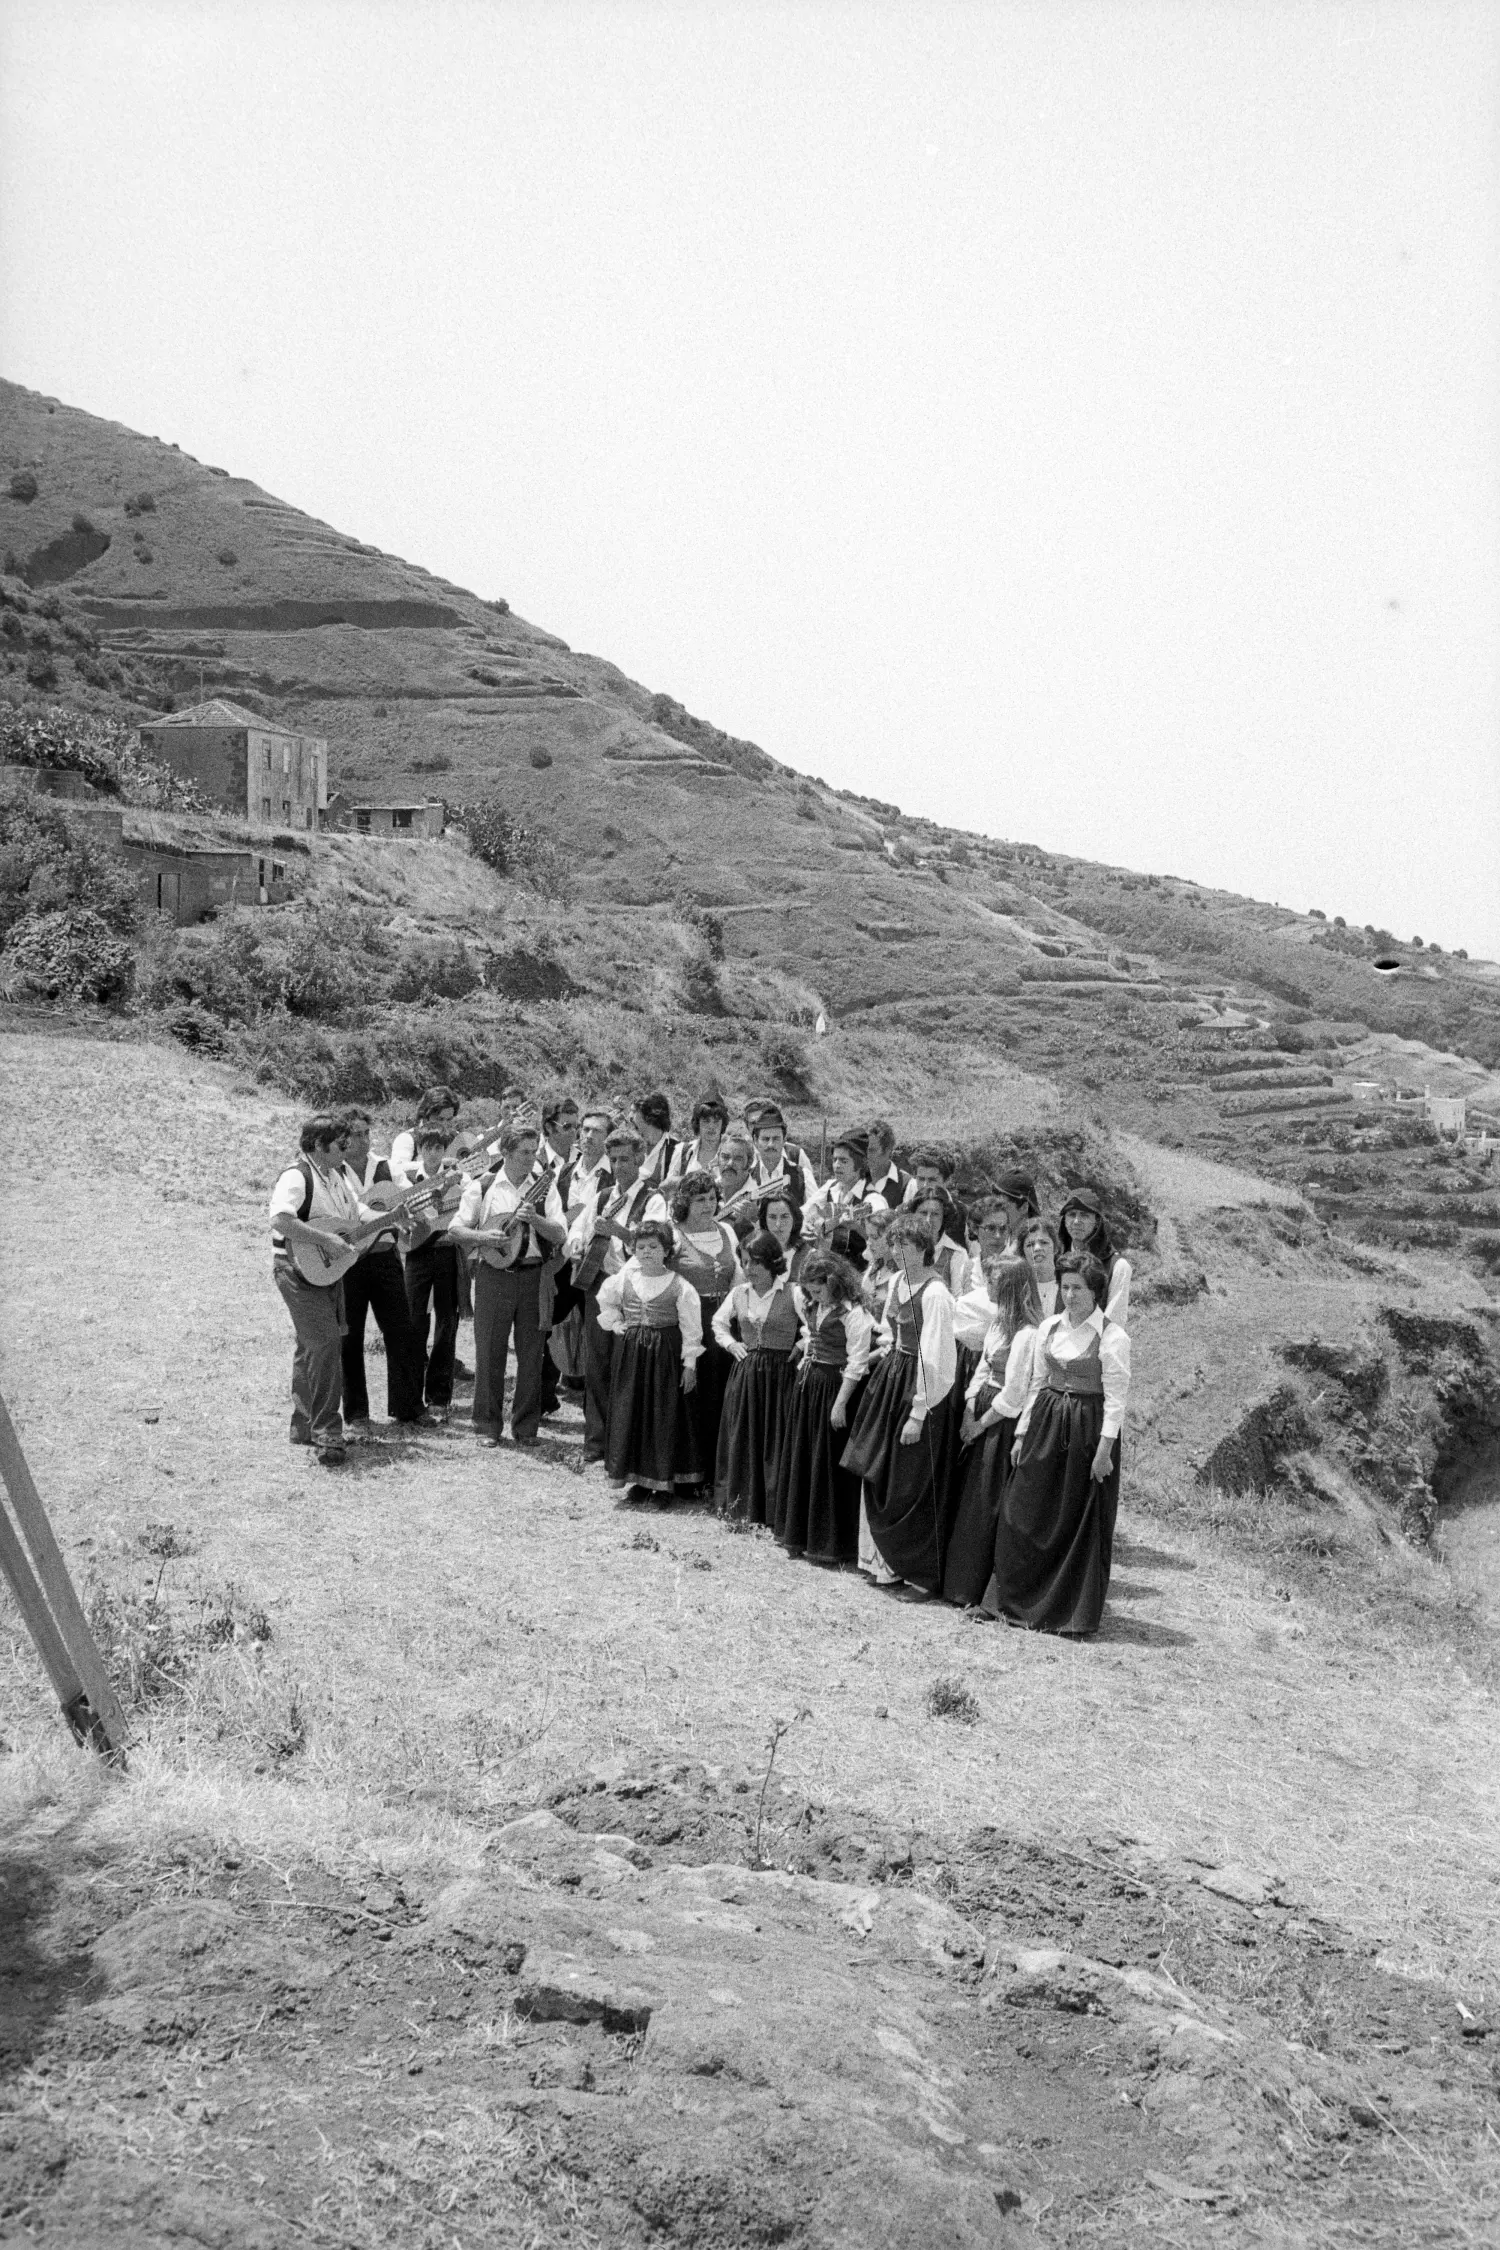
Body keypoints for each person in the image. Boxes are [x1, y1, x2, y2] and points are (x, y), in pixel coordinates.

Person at [980, 1252, 1130, 1636]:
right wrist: (1021, 1434)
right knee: (1022, 1512)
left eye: (1078, 1288)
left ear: (1096, 1291)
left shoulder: (1112, 1336)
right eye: (1065, 1287)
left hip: (1086, 1431)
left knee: (1075, 1520)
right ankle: (1013, 1602)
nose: (1070, 1295)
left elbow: (1116, 1402)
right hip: (1046, 1424)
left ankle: (1067, 1613)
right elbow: (1037, 1384)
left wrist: (1103, 1453)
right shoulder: (1048, 1327)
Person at [840, 1212, 957, 1599]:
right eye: (894, 1244)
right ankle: (882, 1565)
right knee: (880, 1471)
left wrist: (919, 1412)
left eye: (906, 1245)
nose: (898, 1251)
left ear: (924, 1249)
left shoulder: (937, 1294)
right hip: (892, 1380)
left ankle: (919, 1575)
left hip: (919, 1386)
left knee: (911, 1480)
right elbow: (892, 1332)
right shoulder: (897, 1282)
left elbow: (937, 1358)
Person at [451, 1123, 566, 1448]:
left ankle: (526, 1428)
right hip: (493, 1276)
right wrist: (482, 1237)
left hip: (534, 1276)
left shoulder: (545, 1187)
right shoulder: (484, 1185)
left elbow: (560, 1233)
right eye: (524, 1153)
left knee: (532, 1355)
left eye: (534, 1152)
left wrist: (537, 1220)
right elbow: (455, 1230)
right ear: (505, 1153)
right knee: (489, 1352)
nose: (531, 1159)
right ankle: (487, 1426)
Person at [268, 1115, 374, 1465]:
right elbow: (281, 1220)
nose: (349, 1148)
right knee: (326, 1343)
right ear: (319, 1145)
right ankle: (328, 1433)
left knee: (310, 1348)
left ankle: (303, 1426)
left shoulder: (336, 1175)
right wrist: (326, 1239)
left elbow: (356, 1214)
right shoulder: (296, 1176)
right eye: (341, 1143)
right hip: (296, 1272)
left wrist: (392, 1218)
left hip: (325, 1272)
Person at [941, 1257, 1042, 1608]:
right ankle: (958, 1584)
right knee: (971, 1501)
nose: (989, 1286)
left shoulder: (1028, 1335)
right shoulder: (998, 1324)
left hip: (1000, 1424)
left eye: (995, 1280)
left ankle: (979, 1591)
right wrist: (969, 1408)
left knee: (988, 1503)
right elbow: (982, 1369)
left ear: (1012, 1286)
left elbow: (1013, 1395)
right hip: (981, 1413)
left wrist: (980, 1425)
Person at [565, 1123, 659, 1462]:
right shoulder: (603, 1196)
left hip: (635, 1292)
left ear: (639, 1159)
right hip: (600, 1288)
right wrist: (576, 1245)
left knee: (630, 1366)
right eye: (614, 1159)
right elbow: (577, 1228)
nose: (619, 1167)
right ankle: (596, 1442)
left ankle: (627, 1445)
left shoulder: (653, 1198)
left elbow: (657, 1245)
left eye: (626, 1159)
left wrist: (619, 1230)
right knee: (598, 1364)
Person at [595, 1219, 704, 1500]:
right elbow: (605, 1300)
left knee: (662, 1413)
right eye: (640, 1247)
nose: (647, 1252)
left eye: (654, 1247)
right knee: (633, 1411)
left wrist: (689, 1365)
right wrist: (616, 1322)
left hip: (665, 1357)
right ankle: (639, 1482)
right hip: (632, 1357)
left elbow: (692, 1329)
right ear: (632, 1250)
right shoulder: (625, 1279)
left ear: (667, 1250)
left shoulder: (680, 1286)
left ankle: (664, 1482)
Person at [775, 1251, 871, 1565]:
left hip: (834, 1387)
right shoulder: (816, 1306)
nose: (813, 1296)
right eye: (810, 1291)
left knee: (826, 1462)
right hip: (810, 1385)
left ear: (834, 1283)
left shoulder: (853, 1314)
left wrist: (840, 1404)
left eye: (818, 1289)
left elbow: (857, 1363)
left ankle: (829, 1543)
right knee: (804, 1455)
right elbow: (810, 1336)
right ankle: (798, 1535)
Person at [335, 1108, 428, 1432]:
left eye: (365, 1133)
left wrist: (425, 1196)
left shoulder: (386, 1167)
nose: (362, 1140)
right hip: (349, 1262)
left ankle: (409, 1407)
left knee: (401, 1331)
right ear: (342, 1138)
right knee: (350, 1337)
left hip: (386, 1257)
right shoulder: (334, 1170)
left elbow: (407, 1194)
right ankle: (357, 1413)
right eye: (355, 1134)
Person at [712, 1230, 801, 1524]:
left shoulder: (793, 1292)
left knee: (775, 1438)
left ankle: (773, 1509)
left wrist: (802, 1345)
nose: (749, 1269)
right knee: (744, 1435)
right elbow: (718, 1323)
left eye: (757, 1262)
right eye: (746, 1262)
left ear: (773, 1262)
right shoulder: (739, 1293)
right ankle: (742, 1506)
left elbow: (814, 1325)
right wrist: (731, 1343)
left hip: (781, 1376)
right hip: (747, 1374)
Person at [668, 1168, 742, 1474]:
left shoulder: (727, 1230)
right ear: (686, 1201)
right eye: (700, 1199)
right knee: (689, 1394)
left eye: (711, 1198)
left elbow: (738, 1272)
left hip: (723, 1320)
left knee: (718, 1394)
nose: (707, 1205)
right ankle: (687, 1472)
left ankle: (716, 1473)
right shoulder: (673, 1233)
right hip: (687, 1322)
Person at [400, 1123, 465, 1423]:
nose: (433, 1152)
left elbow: (463, 1215)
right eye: (428, 1147)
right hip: (417, 1254)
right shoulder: (409, 1180)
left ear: (444, 1150)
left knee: (447, 1323)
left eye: (439, 1147)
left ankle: (439, 1396)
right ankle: (410, 1397)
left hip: (448, 1252)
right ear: (420, 1149)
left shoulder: (459, 1180)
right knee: (414, 1321)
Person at [1058, 1190, 1131, 1326]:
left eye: (1084, 1215)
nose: (1076, 1221)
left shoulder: (1117, 1266)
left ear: (1097, 1221)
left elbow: (1113, 1323)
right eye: (1071, 1215)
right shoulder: (1057, 1260)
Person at [804, 1134, 869, 1238]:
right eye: (835, 1160)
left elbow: (881, 1238)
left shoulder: (871, 1196)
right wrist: (815, 1221)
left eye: (844, 1161)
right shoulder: (831, 1186)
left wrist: (858, 1227)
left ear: (860, 1164)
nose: (837, 1165)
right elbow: (804, 1211)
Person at [751, 1105, 818, 1203]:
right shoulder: (746, 1178)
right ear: (755, 1141)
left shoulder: (803, 1177)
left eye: (776, 1139)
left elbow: (816, 1213)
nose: (771, 1144)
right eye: (765, 1139)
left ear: (784, 1140)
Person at [390, 1084, 460, 1177]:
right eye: (440, 1119)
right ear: (425, 1115)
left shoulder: (456, 1137)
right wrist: (438, 1163)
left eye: (449, 1120)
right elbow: (396, 1169)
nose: (445, 1125)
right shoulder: (407, 1139)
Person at [910, 1188, 968, 1297]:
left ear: (944, 1217)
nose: (928, 1220)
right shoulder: (901, 1247)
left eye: (935, 1214)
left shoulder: (956, 1254)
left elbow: (959, 1301)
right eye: (923, 1213)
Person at [667, 1094, 731, 1183]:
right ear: (698, 1123)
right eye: (706, 1121)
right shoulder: (683, 1152)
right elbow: (669, 1188)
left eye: (716, 1121)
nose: (711, 1126)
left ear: (723, 1124)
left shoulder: (732, 1154)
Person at [758, 1187, 808, 1286]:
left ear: (795, 1219)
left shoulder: (809, 1256)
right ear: (764, 1220)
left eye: (784, 1216)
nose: (778, 1224)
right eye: (772, 1217)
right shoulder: (755, 1254)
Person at [715, 1133, 761, 1240]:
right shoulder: (708, 1188)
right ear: (718, 1158)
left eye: (738, 1159)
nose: (730, 1163)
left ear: (749, 1162)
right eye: (725, 1157)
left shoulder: (759, 1197)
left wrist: (756, 1219)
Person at [633, 1092, 680, 1189]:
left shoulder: (676, 1149)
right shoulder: (632, 1145)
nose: (630, 1116)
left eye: (633, 1111)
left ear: (647, 1117)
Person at [1020, 1215, 1061, 1321]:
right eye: (1030, 1245)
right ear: (1023, 1253)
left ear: (1055, 1247)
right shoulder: (1020, 1289)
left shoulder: (1066, 1284)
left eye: (1044, 1242)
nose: (1037, 1248)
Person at [864, 1120, 910, 1211]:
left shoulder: (907, 1185)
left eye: (872, 1150)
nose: (865, 1155)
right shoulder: (851, 1180)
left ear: (888, 1150)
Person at [994, 1170, 1041, 1254]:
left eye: (1004, 1206)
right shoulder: (1007, 1235)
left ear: (1024, 1207)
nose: (998, 1212)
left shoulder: (1033, 1246)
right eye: (996, 1206)